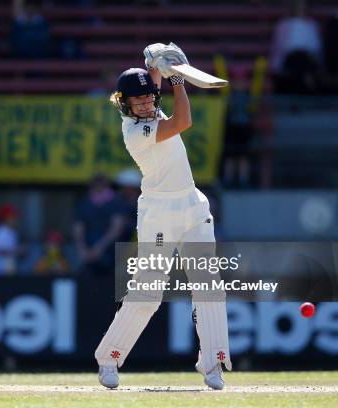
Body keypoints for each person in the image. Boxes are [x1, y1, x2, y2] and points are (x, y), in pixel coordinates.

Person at [94, 43, 231, 391]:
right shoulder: (135, 132)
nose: (144, 105)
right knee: (149, 293)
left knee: (209, 286)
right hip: (158, 214)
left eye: (148, 100)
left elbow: (153, 83)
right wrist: (178, 79)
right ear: (124, 104)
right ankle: (109, 358)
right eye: (137, 102)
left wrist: (158, 64)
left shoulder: (151, 107)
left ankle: (212, 363)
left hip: (193, 207)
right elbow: (183, 121)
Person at [73, 173, 125, 276]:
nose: (98, 186)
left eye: (101, 184)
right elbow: (78, 228)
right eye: (96, 184)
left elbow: (116, 229)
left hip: (111, 254)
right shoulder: (84, 203)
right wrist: (82, 249)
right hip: (89, 255)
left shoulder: (116, 202)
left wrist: (99, 248)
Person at [0, 204, 21, 275]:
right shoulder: (1, 231)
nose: (15, 219)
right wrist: (17, 250)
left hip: (11, 268)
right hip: (1, 270)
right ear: (6, 218)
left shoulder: (13, 231)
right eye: (12, 216)